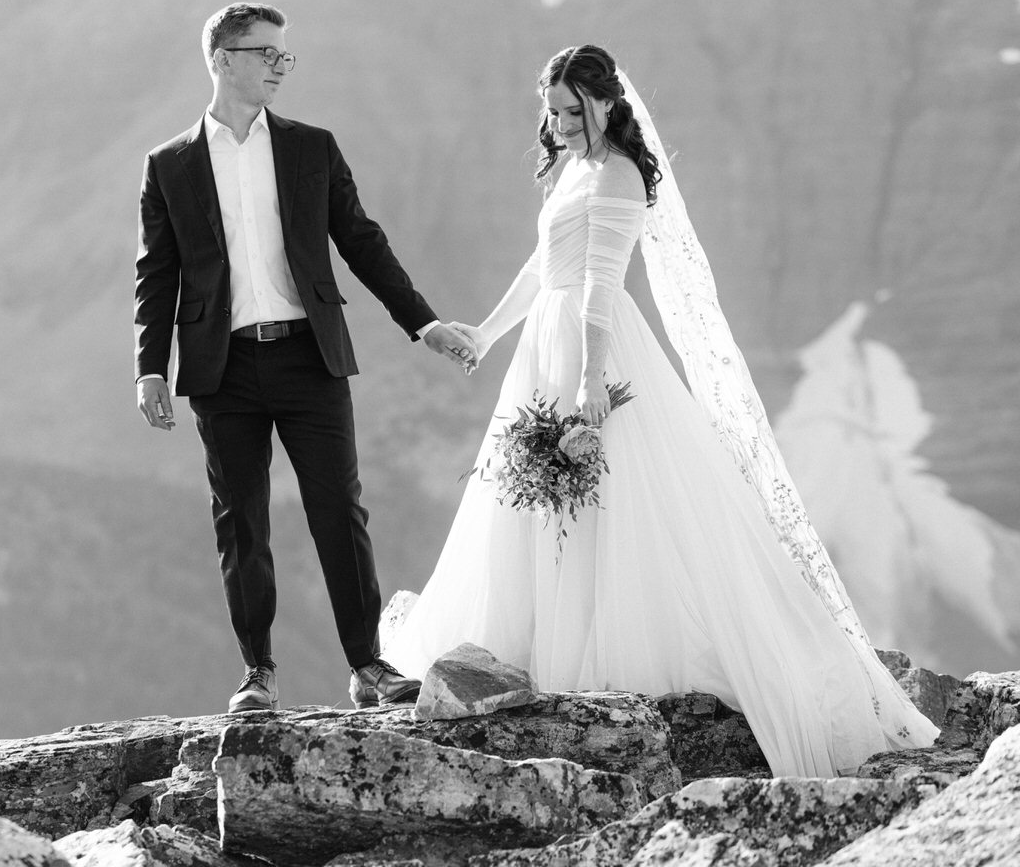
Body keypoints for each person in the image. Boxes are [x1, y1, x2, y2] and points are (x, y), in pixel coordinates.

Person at [384, 45, 939, 776]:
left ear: (608, 104)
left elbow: (600, 288)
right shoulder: (571, 168)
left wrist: (588, 386)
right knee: (537, 506)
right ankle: (528, 645)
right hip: (544, 350)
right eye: (551, 112)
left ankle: (598, 656)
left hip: (592, 350)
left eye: (574, 112)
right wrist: (488, 334)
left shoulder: (616, 178)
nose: (560, 125)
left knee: (610, 504)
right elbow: (545, 267)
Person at [134, 2, 477, 714]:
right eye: (269, 55)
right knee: (241, 521)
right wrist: (149, 366)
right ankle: (257, 674)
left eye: (286, 56)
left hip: (309, 358)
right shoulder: (168, 165)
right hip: (220, 370)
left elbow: (361, 241)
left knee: (338, 512)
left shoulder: (310, 148)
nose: (281, 68)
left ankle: (368, 668)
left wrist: (423, 322)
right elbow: (156, 273)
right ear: (224, 59)